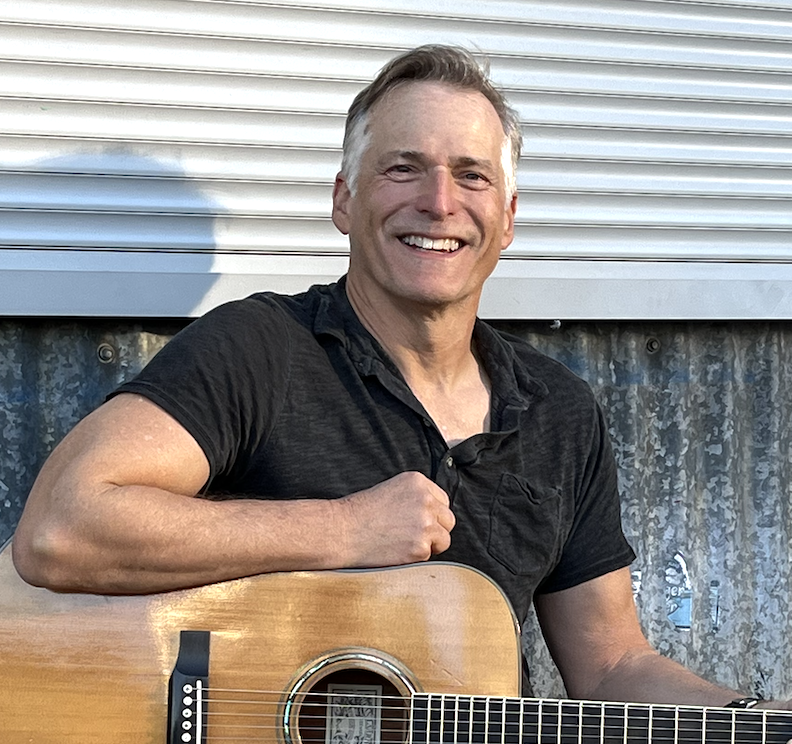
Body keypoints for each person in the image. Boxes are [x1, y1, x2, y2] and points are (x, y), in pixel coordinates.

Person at [10, 45, 788, 710]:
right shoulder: (261, 349)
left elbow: (612, 666)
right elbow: (61, 530)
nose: (439, 203)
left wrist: (753, 717)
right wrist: (344, 529)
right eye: (403, 169)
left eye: (471, 176)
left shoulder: (559, 411)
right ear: (344, 200)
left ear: (508, 218)